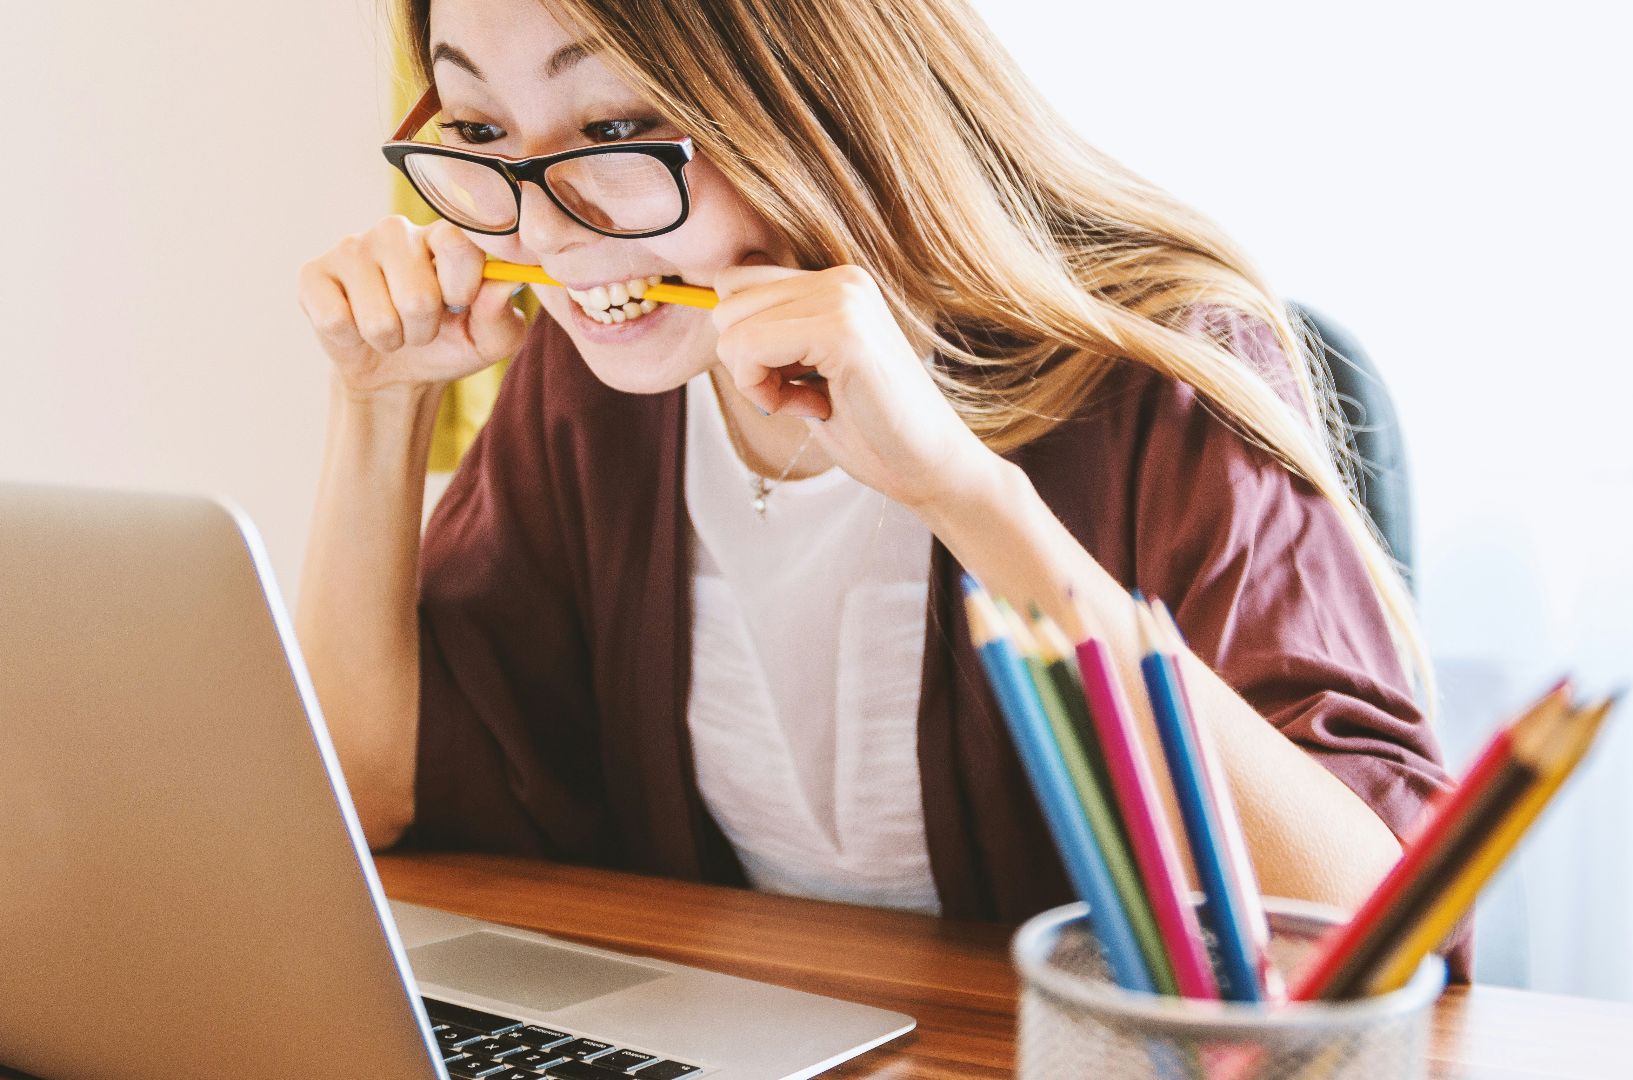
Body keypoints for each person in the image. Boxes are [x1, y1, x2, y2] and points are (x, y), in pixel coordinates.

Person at [295, 0, 1461, 964]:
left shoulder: (1156, 374)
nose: (548, 230)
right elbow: (369, 795)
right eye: (485, 132)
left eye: (614, 121)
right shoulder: (592, 385)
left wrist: (964, 492)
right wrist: (378, 404)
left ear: (809, 95)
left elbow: (1365, 927)